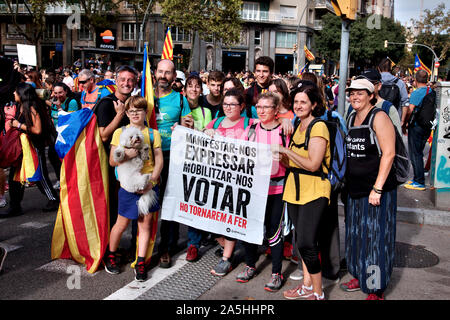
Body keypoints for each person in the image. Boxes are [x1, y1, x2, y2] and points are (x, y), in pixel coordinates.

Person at [340, 78, 397, 300]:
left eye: (360, 93)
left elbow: (389, 153)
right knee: (355, 237)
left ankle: (375, 288)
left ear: (371, 95)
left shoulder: (379, 117)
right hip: (355, 190)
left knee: (375, 239)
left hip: (376, 191)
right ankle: (359, 275)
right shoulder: (352, 116)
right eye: (351, 93)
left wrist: (378, 188)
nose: (354, 97)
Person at [274, 82, 330, 300]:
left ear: (314, 104)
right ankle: (307, 286)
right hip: (295, 190)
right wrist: (284, 159)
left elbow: (314, 164)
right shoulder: (298, 125)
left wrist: (286, 151)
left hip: (314, 190)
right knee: (302, 242)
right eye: (296, 101)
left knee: (307, 242)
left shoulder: (319, 127)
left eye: (303, 102)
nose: (298, 105)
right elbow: (295, 163)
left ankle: (318, 292)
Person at [105, 96, 163, 282]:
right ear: (126, 113)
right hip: (127, 186)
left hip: (148, 185)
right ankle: (111, 255)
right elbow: (112, 160)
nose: (135, 114)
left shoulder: (153, 133)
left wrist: (152, 181)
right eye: (131, 111)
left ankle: (140, 262)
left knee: (145, 225)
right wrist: (128, 155)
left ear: (146, 112)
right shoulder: (120, 132)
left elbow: (159, 159)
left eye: (139, 110)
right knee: (121, 224)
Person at [236, 92, 287, 291]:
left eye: (267, 107)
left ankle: (276, 273)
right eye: (259, 107)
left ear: (276, 110)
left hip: (276, 188)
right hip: (254, 188)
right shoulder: (251, 129)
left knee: (274, 231)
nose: (262, 110)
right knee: (251, 229)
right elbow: (234, 151)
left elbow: (292, 157)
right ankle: (250, 266)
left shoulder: (284, 129)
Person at [204, 88, 254, 276]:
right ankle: (229, 245)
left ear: (242, 106)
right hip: (214, 179)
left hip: (237, 182)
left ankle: (226, 258)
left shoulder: (250, 123)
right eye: (225, 104)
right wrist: (203, 132)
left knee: (230, 217)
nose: (228, 107)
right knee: (209, 220)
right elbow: (199, 138)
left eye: (233, 104)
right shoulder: (215, 122)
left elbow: (271, 125)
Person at [154, 59, 193, 269]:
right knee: (145, 203)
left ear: (173, 77)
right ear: (155, 73)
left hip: (172, 158)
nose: (163, 76)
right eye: (161, 71)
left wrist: (185, 125)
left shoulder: (179, 99)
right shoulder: (145, 96)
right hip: (148, 158)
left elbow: (189, 123)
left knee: (169, 202)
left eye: (168, 73)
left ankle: (166, 247)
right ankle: (138, 245)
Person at [95, 65, 138, 228]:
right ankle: (108, 250)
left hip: (129, 164)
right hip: (109, 164)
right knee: (111, 208)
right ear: (116, 81)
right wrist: (120, 114)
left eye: (130, 80)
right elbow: (104, 135)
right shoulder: (107, 104)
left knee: (125, 209)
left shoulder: (132, 104)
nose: (126, 83)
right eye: (123, 79)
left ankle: (117, 248)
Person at [7, 83, 60, 216]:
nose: (14, 94)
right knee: (15, 176)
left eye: (16, 92)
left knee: (39, 175)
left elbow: (37, 129)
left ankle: (53, 199)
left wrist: (18, 125)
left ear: (22, 94)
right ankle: (15, 206)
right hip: (22, 148)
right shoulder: (20, 106)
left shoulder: (32, 107)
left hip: (34, 147)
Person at [183, 74, 211, 262]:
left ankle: (195, 242)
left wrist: (196, 131)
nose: (193, 89)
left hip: (201, 162)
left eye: (197, 86)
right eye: (190, 86)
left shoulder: (205, 112)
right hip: (183, 162)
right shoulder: (180, 110)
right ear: (184, 90)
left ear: (201, 90)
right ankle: (191, 242)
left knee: (200, 202)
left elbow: (207, 136)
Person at [346, 69, 402, 135]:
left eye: (369, 83)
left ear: (379, 86)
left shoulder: (388, 108)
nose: (363, 86)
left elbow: (397, 137)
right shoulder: (351, 107)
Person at [402, 70, 432, 191]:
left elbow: (410, 110)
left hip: (416, 126)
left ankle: (419, 181)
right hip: (427, 126)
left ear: (416, 79)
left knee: (415, 154)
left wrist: (404, 123)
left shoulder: (416, 93)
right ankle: (417, 179)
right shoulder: (431, 91)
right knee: (418, 152)